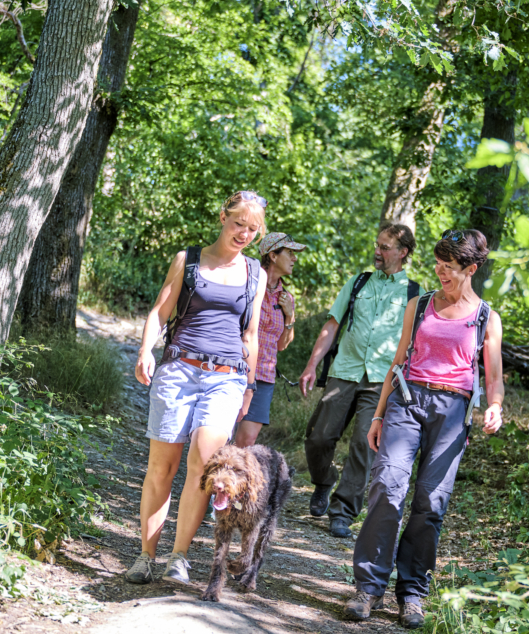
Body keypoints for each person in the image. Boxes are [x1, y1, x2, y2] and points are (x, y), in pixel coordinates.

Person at [344, 229, 504, 629]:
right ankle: (368, 587)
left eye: (449, 267)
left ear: (471, 269)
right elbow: (397, 362)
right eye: (438, 264)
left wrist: (496, 406)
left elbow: (494, 378)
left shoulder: (487, 317)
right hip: (407, 399)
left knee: (431, 503)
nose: (440, 272)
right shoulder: (419, 305)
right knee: (387, 485)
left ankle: (412, 594)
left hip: (452, 413)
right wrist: (379, 415)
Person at [125, 191, 268, 585]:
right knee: (162, 467)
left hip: (227, 377)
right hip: (179, 370)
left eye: (252, 230)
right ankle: (146, 556)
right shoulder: (187, 260)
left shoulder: (257, 273)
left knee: (204, 463)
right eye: (238, 223)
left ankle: (179, 556)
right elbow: (160, 312)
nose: (244, 234)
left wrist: (250, 385)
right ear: (223, 216)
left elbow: (251, 335)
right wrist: (145, 350)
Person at [298, 224, 421, 538]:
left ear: (403, 252)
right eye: (377, 245)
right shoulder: (358, 282)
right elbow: (332, 325)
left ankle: (342, 512)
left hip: (382, 381)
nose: (377, 252)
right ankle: (324, 480)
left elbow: (416, 344)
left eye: (385, 247)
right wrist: (312, 365)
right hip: (345, 370)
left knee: (363, 445)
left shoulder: (414, 294)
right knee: (318, 437)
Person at [234, 232, 306, 447]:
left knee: (247, 440)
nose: (294, 258)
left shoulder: (287, 297)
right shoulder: (246, 283)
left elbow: (282, 345)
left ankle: (231, 480)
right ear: (273, 255)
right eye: (290, 253)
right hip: (234, 368)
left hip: (264, 375)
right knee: (220, 433)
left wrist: (290, 315)